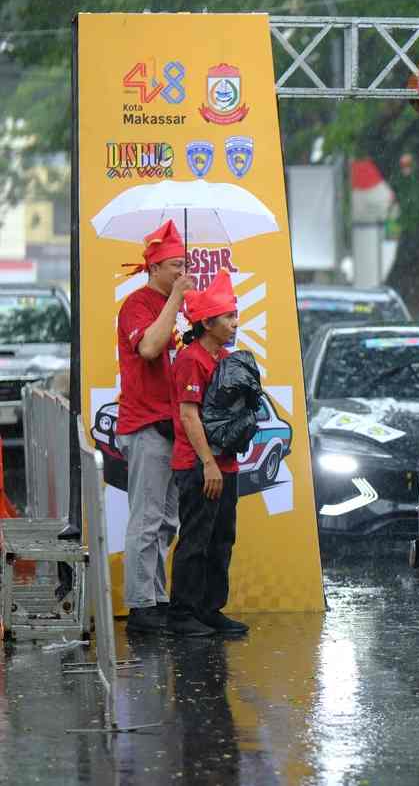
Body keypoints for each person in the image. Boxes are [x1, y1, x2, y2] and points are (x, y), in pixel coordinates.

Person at [117, 219, 192, 632]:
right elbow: (148, 347)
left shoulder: (173, 308)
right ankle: (140, 606)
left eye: (184, 265)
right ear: (155, 268)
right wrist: (176, 300)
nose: (182, 272)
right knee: (145, 518)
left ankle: (158, 598)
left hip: (171, 426)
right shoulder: (137, 305)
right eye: (175, 265)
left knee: (167, 521)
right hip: (146, 425)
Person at [166, 270, 247, 637]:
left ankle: (209, 608)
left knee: (221, 539)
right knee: (196, 539)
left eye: (235, 315)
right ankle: (182, 613)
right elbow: (187, 414)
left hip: (226, 464)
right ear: (206, 321)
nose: (234, 322)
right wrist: (209, 463)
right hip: (199, 465)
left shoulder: (227, 358)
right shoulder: (190, 360)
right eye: (228, 317)